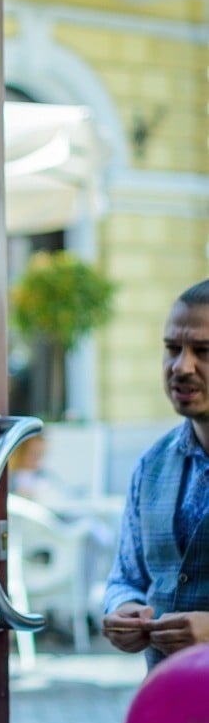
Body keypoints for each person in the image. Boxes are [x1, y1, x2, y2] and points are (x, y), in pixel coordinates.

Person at [103, 279, 209, 670]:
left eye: (204, 351)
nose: (182, 366)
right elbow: (126, 577)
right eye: (171, 348)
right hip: (168, 711)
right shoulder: (151, 465)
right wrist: (124, 609)